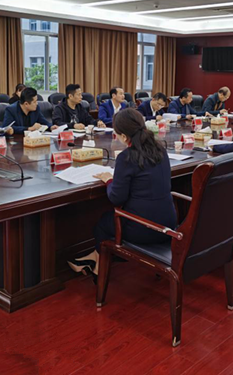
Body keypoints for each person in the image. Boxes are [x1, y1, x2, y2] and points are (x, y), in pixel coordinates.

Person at [68, 108, 177, 277]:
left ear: (124, 137)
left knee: (101, 225)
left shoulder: (126, 157)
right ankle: (93, 258)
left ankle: (99, 270)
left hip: (143, 230)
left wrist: (109, 180)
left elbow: (116, 198)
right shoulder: (160, 149)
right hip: (168, 225)